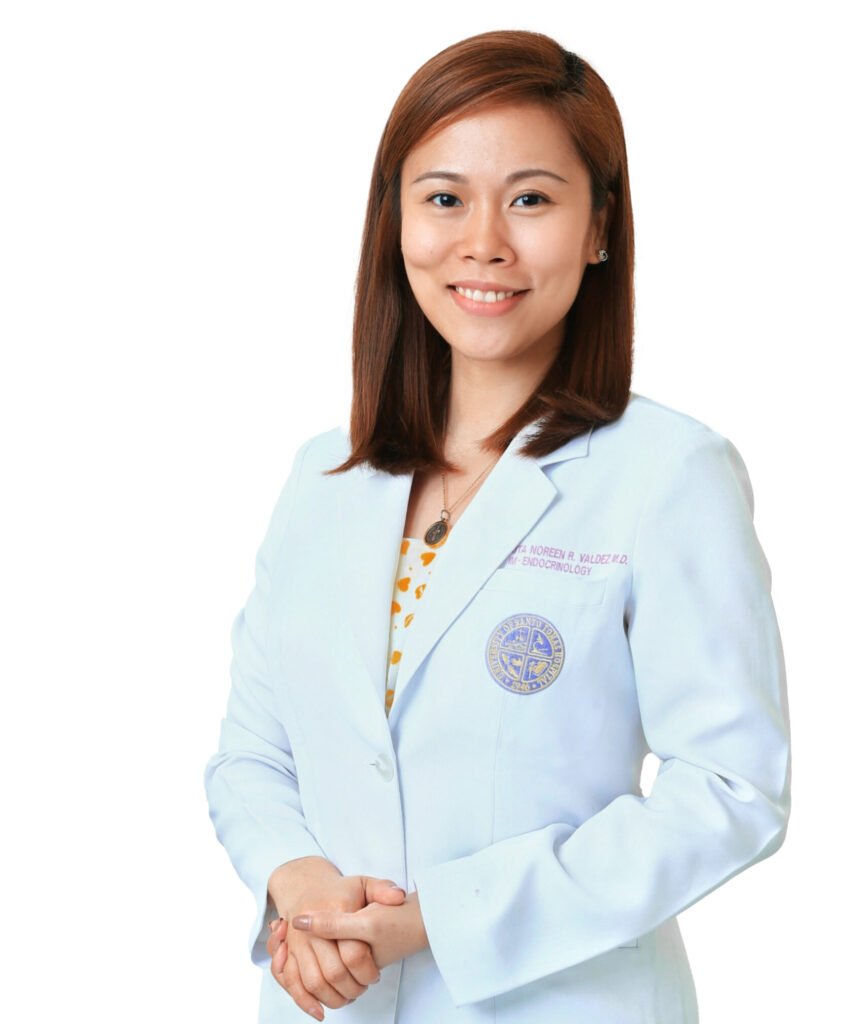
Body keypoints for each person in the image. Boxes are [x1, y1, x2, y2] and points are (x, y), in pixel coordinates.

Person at [203, 28, 791, 1024]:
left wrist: (441, 918)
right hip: (328, 1003)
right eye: (443, 198)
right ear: (394, 220)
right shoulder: (324, 477)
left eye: (530, 199)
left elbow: (731, 789)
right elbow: (253, 755)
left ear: (599, 227)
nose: (483, 243)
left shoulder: (667, 474)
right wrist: (297, 883)